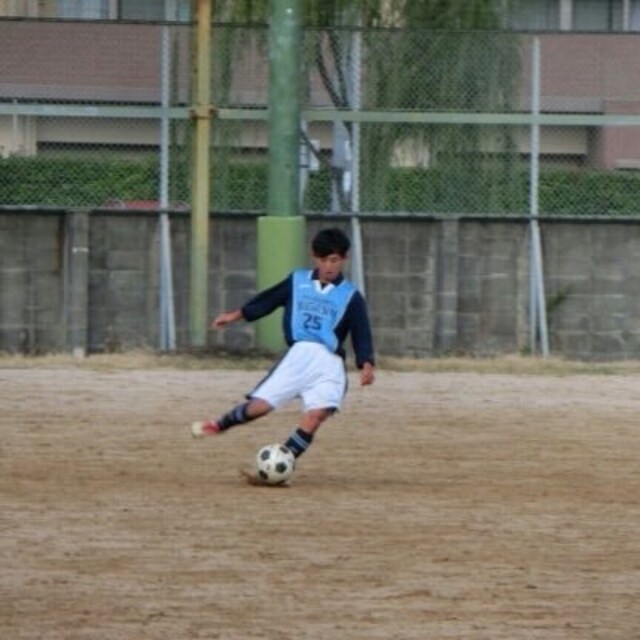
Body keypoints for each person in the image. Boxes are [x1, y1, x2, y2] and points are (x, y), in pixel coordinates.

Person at [190, 227, 375, 463]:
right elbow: (268, 300)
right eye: (323, 260)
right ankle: (219, 424)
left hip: (329, 363)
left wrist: (366, 363)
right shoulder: (297, 281)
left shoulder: (351, 296)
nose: (329, 266)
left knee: (316, 414)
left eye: (334, 260)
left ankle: (283, 461)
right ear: (314, 257)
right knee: (259, 407)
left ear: (344, 259)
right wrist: (236, 315)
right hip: (299, 356)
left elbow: (361, 331)